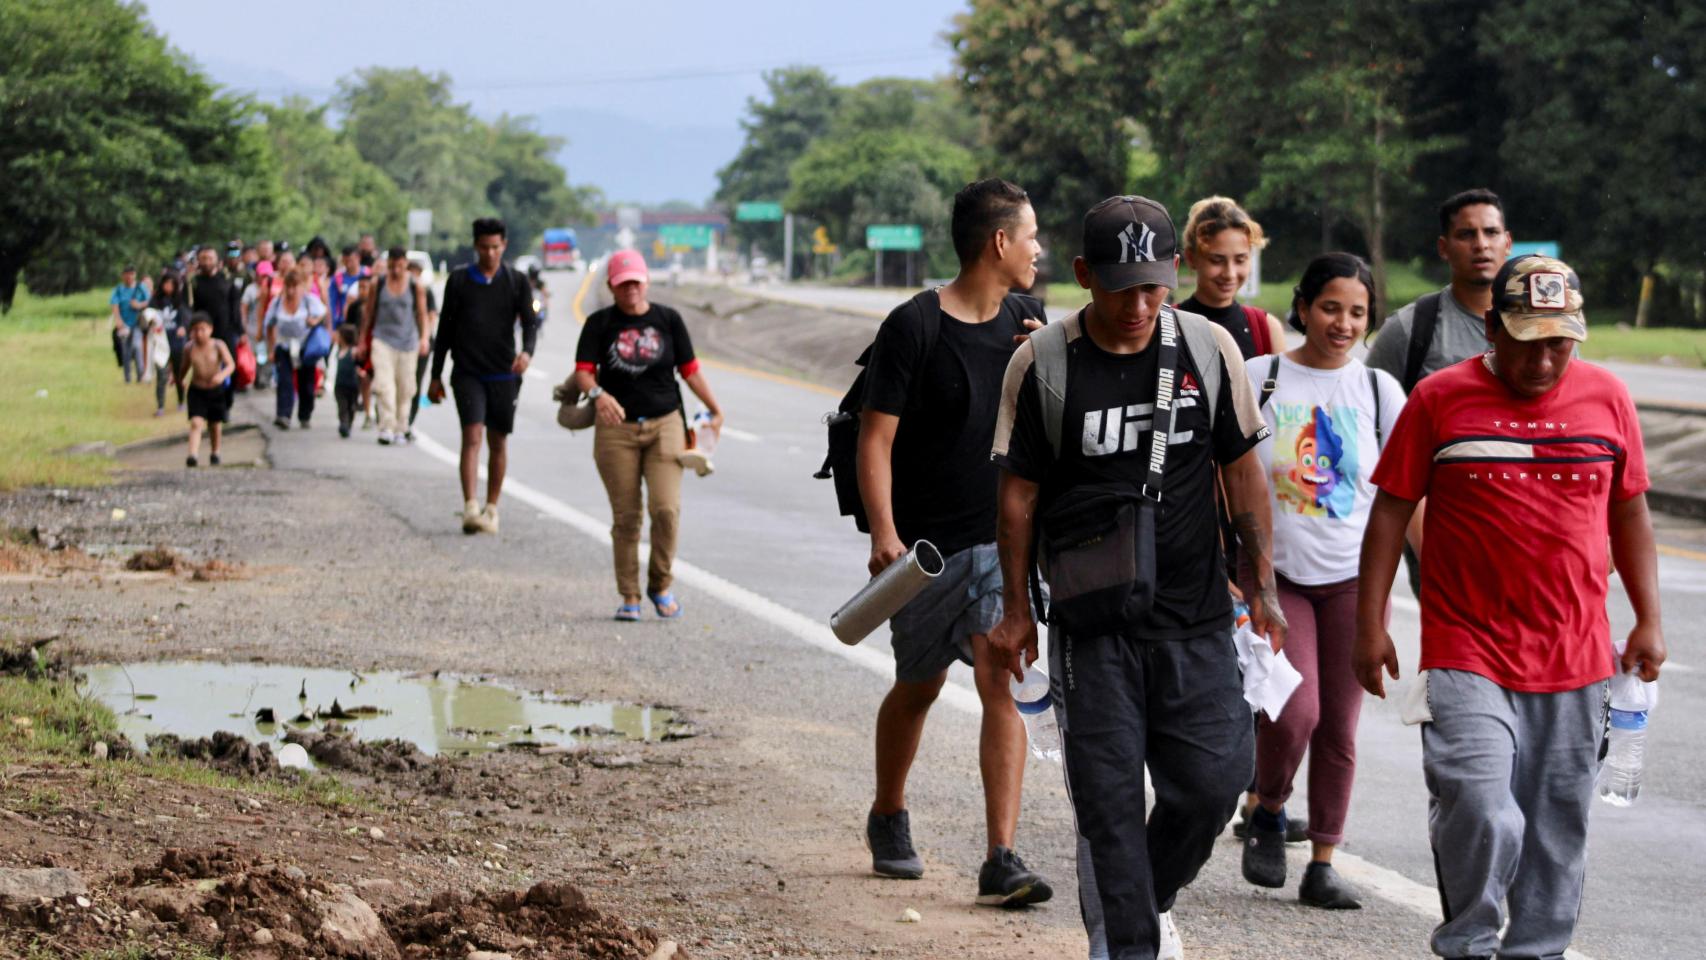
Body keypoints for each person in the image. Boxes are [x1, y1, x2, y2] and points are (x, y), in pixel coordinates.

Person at [989, 195, 1283, 960]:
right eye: (1121, 287)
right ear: (1085, 275)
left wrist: (1264, 585)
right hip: (1094, 628)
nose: (1139, 304)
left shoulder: (1208, 349)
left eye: (1154, 286)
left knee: (1216, 781)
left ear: (1173, 274)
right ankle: (1127, 943)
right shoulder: (1044, 362)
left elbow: (1244, 474)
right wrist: (1019, 611)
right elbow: (1017, 499)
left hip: (1195, 617)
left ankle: (1140, 903)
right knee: (1109, 805)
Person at [1355, 254, 1665, 960]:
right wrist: (1367, 624)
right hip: (1467, 646)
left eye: (1560, 342)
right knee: (1481, 802)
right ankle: (1468, 939)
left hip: (1577, 654)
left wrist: (1648, 617)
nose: (1544, 359)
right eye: (1527, 341)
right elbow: (1390, 512)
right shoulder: (1439, 398)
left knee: (1557, 826)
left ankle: (1537, 950)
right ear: (1491, 329)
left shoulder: (1608, 398)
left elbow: (1631, 514)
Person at [846, 178, 1051, 906]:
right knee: (919, 685)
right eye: (1030, 236)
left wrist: (1049, 362)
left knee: (1002, 677)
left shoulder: (1032, 319)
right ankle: (888, 811)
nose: (1039, 250)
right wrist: (884, 533)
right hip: (927, 550)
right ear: (999, 243)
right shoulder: (915, 325)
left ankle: (1001, 854)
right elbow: (877, 438)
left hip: (1004, 543)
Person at [1235, 253, 1410, 909]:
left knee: (1339, 724)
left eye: (1358, 312)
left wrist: (1438, 573)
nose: (1343, 323)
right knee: (1293, 712)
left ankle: (1324, 860)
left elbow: (1403, 497)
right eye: (1330, 307)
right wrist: (1235, 572)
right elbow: (1225, 478)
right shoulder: (1262, 378)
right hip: (1275, 579)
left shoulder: (1377, 391)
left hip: (1355, 584)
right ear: (1304, 307)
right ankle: (1270, 807)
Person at [1368, 189, 1514, 599]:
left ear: (1508, 242)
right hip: (1441, 523)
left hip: (1524, 516)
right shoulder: (1410, 329)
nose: (1481, 244)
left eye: (1490, 232)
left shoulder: (1540, 330)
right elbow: (1367, 422)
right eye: (1467, 234)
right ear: (1444, 248)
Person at [573, 249, 725, 620]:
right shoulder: (599, 323)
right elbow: (583, 372)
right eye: (623, 284)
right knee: (626, 517)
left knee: (666, 509)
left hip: (665, 423)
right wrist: (598, 394)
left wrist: (716, 408)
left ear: (646, 282)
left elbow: (689, 370)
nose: (630, 290)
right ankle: (629, 595)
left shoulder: (668, 320)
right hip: (615, 429)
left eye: (636, 283)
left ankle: (660, 585)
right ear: (611, 285)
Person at [428, 218, 540, 534]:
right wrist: (436, 376)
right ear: (476, 246)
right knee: (472, 436)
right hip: (467, 372)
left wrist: (527, 353)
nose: (490, 253)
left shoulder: (516, 281)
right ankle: (470, 507)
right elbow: (445, 329)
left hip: (504, 374)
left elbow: (530, 323)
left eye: (495, 247)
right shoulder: (460, 280)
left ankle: (492, 507)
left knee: (498, 440)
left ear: (503, 246)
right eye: (484, 247)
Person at [1177, 197, 1286, 360]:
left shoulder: (1266, 329)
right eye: (1216, 260)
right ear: (1191, 258)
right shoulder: (1166, 324)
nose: (1230, 274)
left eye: (1240, 260)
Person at [358, 247, 430, 445]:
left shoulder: (416, 285)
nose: (396, 271)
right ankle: (386, 426)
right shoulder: (378, 283)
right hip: (382, 340)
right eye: (392, 266)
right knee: (384, 385)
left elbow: (422, 314)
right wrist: (362, 340)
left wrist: (424, 338)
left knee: (406, 387)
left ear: (405, 264)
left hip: (408, 342)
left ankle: (401, 426)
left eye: (400, 266)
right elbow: (369, 313)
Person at [263, 267, 328, 429]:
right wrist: (270, 349)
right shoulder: (277, 302)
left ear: (301, 286)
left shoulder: (309, 300)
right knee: (284, 381)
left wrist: (314, 321)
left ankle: (305, 415)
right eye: (288, 286)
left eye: (295, 286)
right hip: (284, 346)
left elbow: (323, 311)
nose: (291, 291)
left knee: (307, 384)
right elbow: (269, 325)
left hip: (305, 347)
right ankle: (283, 415)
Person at [187, 246, 244, 402]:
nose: (206, 262)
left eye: (210, 258)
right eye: (203, 258)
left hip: (226, 331)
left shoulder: (227, 281)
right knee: (206, 369)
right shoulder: (194, 283)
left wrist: (240, 330)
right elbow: (189, 309)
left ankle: (227, 401)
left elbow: (235, 307)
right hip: (203, 334)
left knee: (230, 366)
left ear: (217, 260)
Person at [183, 313, 235, 468]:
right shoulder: (190, 348)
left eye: (202, 329)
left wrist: (221, 375)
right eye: (195, 330)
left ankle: (215, 452)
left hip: (215, 390)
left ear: (210, 329)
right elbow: (184, 367)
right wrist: (179, 379)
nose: (199, 334)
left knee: (215, 424)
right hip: (197, 389)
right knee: (196, 422)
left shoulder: (218, 345)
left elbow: (231, 364)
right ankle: (192, 455)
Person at [406, 257, 441, 439]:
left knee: (415, 383)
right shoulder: (399, 290)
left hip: (421, 343)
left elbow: (431, 314)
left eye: (415, 273)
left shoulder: (425, 292)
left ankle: (408, 422)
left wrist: (425, 337)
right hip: (401, 343)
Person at [148, 271, 189, 412]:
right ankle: (160, 406)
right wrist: (151, 323)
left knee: (179, 374)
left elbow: (186, 317)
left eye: (172, 284)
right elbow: (147, 317)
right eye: (167, 283)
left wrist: (183, 327)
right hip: (161, 343)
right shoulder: (155, 301)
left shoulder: (179, 300)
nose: (169, 286)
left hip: (177, 343)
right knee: (161, 375)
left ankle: (181, 401)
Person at [109, 266, 149, 383]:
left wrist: (139, 305)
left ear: (134, 275)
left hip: (137, 323)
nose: (129, 277)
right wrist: (118, 320)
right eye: (127, 274)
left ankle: (140, 375)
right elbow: (114, 304)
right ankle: (127, 378)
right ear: (123, 275)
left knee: (137, 347)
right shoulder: (118, 289)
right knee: (126, 351)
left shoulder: (140, 287)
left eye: (131, 274)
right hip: (124, 325)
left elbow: (149, 301)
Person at [334, 324, 362, 439]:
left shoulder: (353, 351)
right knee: (342, 406)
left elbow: (359, 365)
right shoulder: (339, 351)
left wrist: (361, 372)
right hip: (340, 386)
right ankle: (343, 424)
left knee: (351, 406)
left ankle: (348, 423)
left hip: (353, 385)